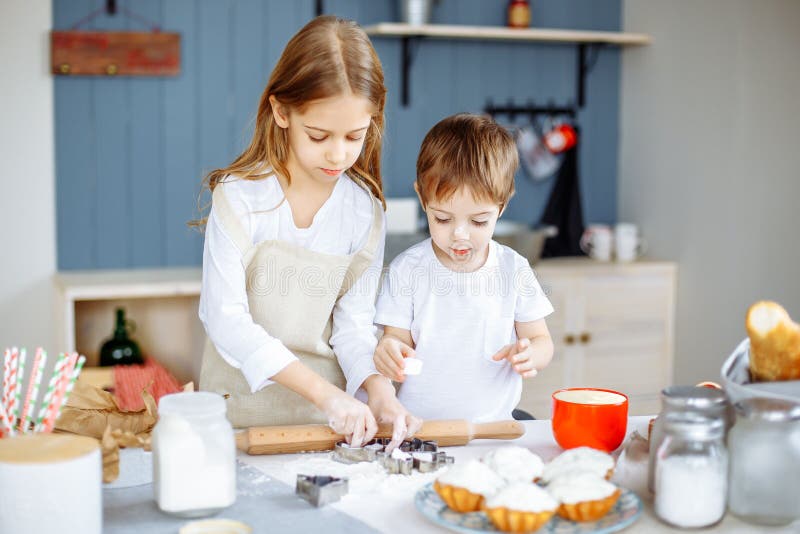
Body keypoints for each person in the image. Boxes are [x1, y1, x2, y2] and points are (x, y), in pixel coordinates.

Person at [195, 15, 420, 449]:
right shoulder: (241, 197)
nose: (339, 154)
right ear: (281, 111)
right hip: (239, 419)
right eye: (319, 135)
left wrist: (379, 392)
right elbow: (225, 319)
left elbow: (353, 328)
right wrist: (326, 394)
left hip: (329, 426)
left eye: (355, 135)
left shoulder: (364, 212)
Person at [373, 113, 555, 422]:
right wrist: (389, 350)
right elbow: (396, 339)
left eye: (479, 221)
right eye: (442, 218)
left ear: (503, 205)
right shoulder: (408, 270)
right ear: (422, 197)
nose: (460, 234)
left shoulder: (513, 269)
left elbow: (542, 341)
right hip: (420, 428)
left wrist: (529, 354)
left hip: (493, 427)